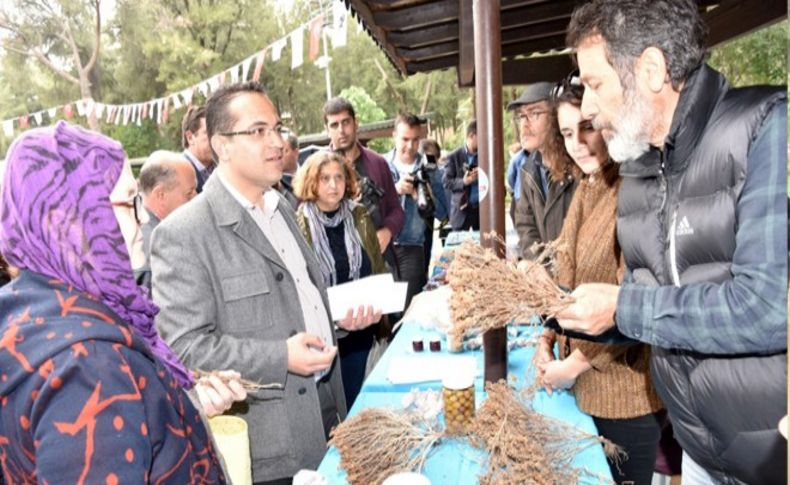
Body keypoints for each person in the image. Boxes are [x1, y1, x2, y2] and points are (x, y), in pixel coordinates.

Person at [558, 1, 787, 483]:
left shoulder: (764, 127)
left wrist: (623, 308)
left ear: (652, 70)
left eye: (595, 85)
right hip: (699, 453)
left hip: (773, 457)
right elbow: (649, 312)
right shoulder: (638, 170)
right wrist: (591, 315)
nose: (589, 111)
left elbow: (768, 308)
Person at [152, 82, 377, 484]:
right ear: (222, 145)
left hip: (329, 410)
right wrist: (280, 357)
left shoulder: (283, 209)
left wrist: (339, 322)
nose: (276, 142)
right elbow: (184, 348)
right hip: (272, 449)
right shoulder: (184, 234)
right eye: (258, 131)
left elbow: (293, 303)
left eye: (276, 128)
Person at [0, 122, 241, 483]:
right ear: (70, 218)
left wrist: (171, 401)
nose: (143, 219)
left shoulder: (32, 309)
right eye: (129, 203)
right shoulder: (89, 366)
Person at [534, 80, 663, 485]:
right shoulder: (587, 188)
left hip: (625, 401)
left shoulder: (632, 189)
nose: (577, 144)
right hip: (583, 392)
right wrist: (545, 344)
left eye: (586, 127)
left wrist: (569, 367)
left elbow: (633, 300)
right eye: (567, 133)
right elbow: (565, 283)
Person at [293, 151, 385, 407]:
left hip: (364, 324)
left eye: (339, 177)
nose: (333, 185)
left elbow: (375, 263)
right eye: (324, 178)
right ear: (312, 182)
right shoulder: (298, 222)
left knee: (362, 398)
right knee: (335, 404)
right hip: (325, 333)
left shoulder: (359, 214)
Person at [323, 97, 405, 271]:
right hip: (340, 269)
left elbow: (396, 209)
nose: (341, 130)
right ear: (327, 130)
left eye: (346, 122)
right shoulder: (316, 170)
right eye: (334, 125)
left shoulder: (378, 163)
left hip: (380, 261)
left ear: (356, 123)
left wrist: (387, 231)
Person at [384, 113, 448, 310]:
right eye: (404, 139)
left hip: (413, 246)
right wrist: (394, 189)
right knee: (387, 312)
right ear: (394, 135)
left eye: (415, 140)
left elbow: (444, 213)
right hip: (383, 248)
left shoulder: (429, 167)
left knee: (410, 308)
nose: (410, 146)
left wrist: (423, 198)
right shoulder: (381, 164)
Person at [509, 83, 578, 259]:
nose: (524, 125)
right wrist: (541, 266)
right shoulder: (527, 170)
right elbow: (525, 226)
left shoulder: (579, 165)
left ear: (557, 117)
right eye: (522, 117)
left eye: (534, 114)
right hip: (546, 280)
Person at [134, 151, 198, 289]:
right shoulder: (161, 247)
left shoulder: (138, 230)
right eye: (189, 193)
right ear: (161, 194)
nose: (197, 199)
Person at [442, 120, 480, 231]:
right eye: (481, 135)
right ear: (472, 136)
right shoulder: (454, 156)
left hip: (481, 211)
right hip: (461, 211)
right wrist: (464, 182)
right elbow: (446, 182)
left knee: (485, 247)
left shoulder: (486, 154)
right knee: (460, 247)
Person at [181, 105, 215, 193]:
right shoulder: (178, 173)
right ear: (190, 138)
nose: (215, 138)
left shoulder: (220, 167)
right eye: (208, 133)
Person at [276, 133, 300, 209]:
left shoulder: (311, 169)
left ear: (296, 153)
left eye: (284, 151)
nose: (279, 155)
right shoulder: (275, 184)